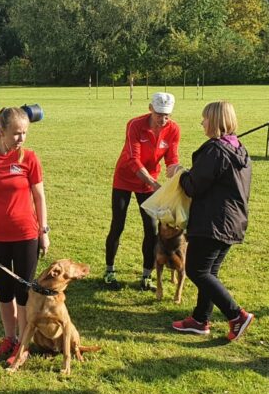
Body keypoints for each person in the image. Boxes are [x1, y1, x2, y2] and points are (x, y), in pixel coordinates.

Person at [171, 101, 254, 341]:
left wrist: (180, 174)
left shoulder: (216, 150)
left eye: (205, 118)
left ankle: (236, 315)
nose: (202, 122)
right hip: (232, 220)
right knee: (210, 271)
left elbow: (193, 186)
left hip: (213, 222)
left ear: (216, 121)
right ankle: (200, 320)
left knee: (197, 270)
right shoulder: (239, 149)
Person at [0, 107, 50, 360]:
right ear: (1, 131)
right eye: (16, 133)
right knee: (4, 292)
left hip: (26, 234)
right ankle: (10, 338)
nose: (21, 138)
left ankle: (24, 344)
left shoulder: (30, 158)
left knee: (23, 292)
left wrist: (43, 231)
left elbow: (39, 196)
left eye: (25, 133)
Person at [103, 92, 181, 290]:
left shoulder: (173, 129)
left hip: (149, 182)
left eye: (167, 115)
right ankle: (109, 271)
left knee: (152, 228)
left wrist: (176, 176)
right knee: (118, 225)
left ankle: (147, 275)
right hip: (125, 178)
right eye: (158, 114)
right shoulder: (135, 125)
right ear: (150, 109)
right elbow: (133, 159)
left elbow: (172, 159)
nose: (162, 119)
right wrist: (154, 183)